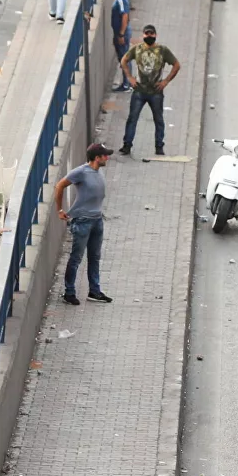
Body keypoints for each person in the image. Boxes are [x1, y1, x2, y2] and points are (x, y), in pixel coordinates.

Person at [55, 143, 115, 304]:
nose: (107, 158)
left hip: (97, 219)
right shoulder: (81, 172)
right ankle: (69, 292)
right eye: (105, 156)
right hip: (82, 221)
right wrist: (60, 209)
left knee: (94, 257)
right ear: (97, 158)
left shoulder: (98, 171)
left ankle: (94, 291)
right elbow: (60, 185)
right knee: (76, 258)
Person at [120, 25, 180, 156]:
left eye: (151, 34)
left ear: (155, 35)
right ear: (143, 35)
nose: (149, 36)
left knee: (158, 120)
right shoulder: (137, 49)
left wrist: (165, 81)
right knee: (132, 118)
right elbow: (124, 60)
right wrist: (130, 77)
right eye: (146, 34)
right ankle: (127, 145)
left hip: (156, 92)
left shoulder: (162, 50)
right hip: (139, 90)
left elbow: (176, 65)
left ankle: (159, 146)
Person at [108, 0, 132, 91]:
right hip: (119, 33)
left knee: (124, 58)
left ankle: (127, 84)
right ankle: (127, 82)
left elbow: (125, 15)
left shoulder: (121, 0)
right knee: (122, 57)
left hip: (122, 33)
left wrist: (121, 34)